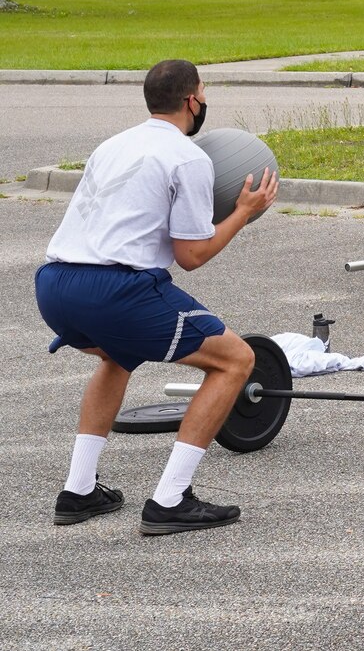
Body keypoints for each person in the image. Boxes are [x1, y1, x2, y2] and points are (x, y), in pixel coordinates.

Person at [35, 60, 279, 535]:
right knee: (235, 360)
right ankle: (170, 501)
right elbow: (191, 255)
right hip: (114, 290)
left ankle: (78, 491)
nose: (204, 102)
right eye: (203, 93)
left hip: (54, 284)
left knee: (117, 355)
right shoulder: (189, 158)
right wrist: (243, 211)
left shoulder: (113, 145)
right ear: (192, 101)